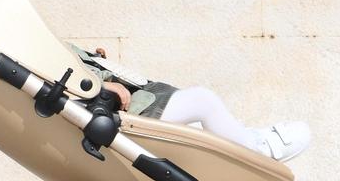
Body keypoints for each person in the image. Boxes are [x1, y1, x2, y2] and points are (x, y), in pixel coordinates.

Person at [76, 46, 311, 161]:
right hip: (112, 112)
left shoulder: (54, 45)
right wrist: (98, 85)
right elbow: (60, 77)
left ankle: (243, 137)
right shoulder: (49, 49)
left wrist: (98, 65)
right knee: (202, 100)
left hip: (128, 101)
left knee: (200, 127)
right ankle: (256, 149)